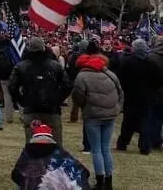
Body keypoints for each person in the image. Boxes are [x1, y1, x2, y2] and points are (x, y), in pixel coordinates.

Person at [72, 41, 123, 190]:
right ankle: (108, 181)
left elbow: (78, 96)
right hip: (109, 115)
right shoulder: (110, 74)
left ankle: (100, 181)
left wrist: (85, 107)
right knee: (105, 148)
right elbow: (120, 92)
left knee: (96, 149)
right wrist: (116, 108)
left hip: (93, 116)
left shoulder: (82, 76)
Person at [8, 36, 72, 145]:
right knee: (56, 146)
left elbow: (12, 87)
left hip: (32, 110)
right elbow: (67, 85)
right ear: (43, 48)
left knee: (32, 146)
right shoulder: (55, 65)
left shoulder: (21, 66)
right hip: (51, 111)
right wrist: (57, 99)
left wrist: (22, 101)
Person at [116, 39, 158, 154]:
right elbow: (157, 82)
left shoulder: (128, 62)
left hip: (131, 98)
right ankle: (144, 147)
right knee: (145, 123)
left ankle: (122, 144)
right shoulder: (152, 64)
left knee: (128, 122)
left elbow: (122, 80)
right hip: (147, 99)